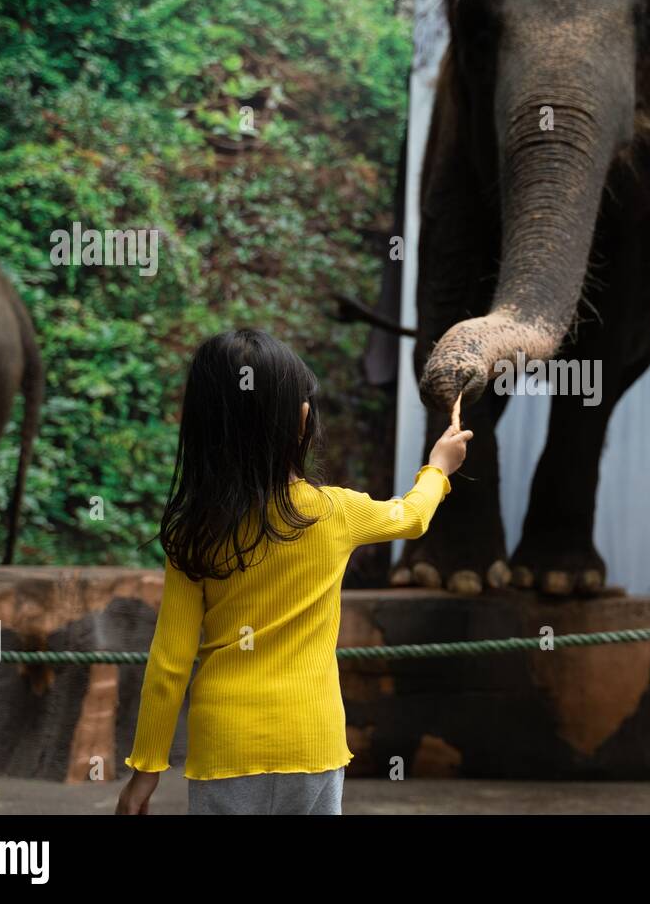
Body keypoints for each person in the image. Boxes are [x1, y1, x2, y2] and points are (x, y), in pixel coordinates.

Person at [115, 329, 471, 814]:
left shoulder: (192, 534)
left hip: (226, 747)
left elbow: (169, 663)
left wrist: (145, 771)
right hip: (311, 743)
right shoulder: (335, 513)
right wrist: (438, 468)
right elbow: (411, 516)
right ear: (301, 420)